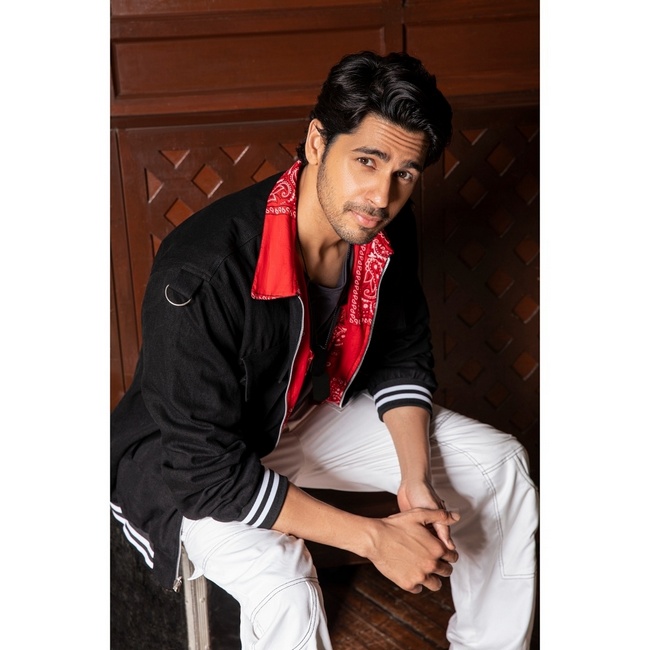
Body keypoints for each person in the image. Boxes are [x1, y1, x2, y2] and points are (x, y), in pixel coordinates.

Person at [111, 51, 538, 649]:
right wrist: (375, 538)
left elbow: (401, 352)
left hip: (292, 419)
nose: (381, 194)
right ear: (317, 141)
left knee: (498, 466)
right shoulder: (201, 270)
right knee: (286, 593)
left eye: (405, 173)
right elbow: (203, 470)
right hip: (188, 462)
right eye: (367, 160)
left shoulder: (381, 226)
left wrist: (413, 481)